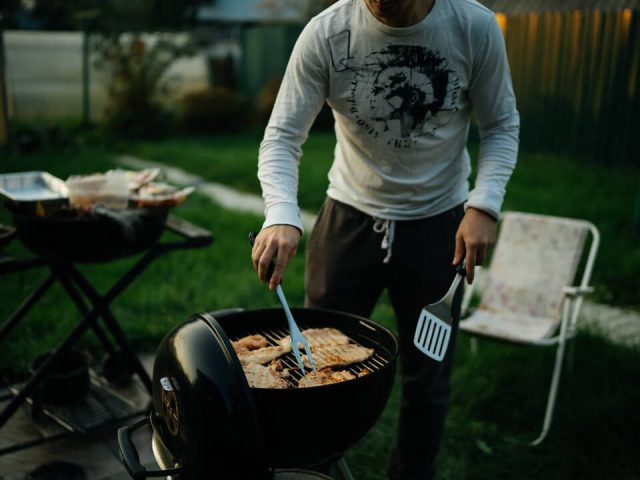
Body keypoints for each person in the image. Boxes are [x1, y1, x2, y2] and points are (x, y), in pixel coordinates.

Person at [251, 0, 519, 478]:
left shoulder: (473, 27)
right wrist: (281, 215)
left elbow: (500, 125)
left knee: (428, 379)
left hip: (441, 227)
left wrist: (484, 205)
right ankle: (316, 471)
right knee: (311, 369)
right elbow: (282, 136)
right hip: (348, 222)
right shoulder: (327, 33)